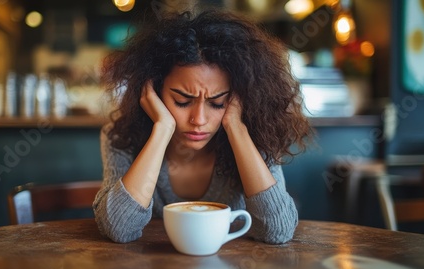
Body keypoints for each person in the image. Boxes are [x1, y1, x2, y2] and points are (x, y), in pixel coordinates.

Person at [93, 9, 312, 244]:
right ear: (154, 92)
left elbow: (277, 230)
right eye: (182, 101)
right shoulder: (121, 137)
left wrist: (236, 129)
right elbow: (119, 228)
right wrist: (162, 129)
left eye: (217, 103)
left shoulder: (258, 134)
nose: (198, 119)